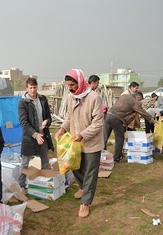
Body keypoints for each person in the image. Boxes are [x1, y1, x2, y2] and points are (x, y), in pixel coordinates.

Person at [54, 69, 103, 218]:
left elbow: (98, 122)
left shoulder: (94, 97)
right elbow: (69, 116)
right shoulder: (71, 97)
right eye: (68, 85)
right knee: (74, 166)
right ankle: (83, 187)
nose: (70, 88)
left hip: (91, 142)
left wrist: (83, 134)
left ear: (80, 82)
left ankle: (85, 203)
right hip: (75, 142)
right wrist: (62, 129)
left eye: (72, 85)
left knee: (90, 172)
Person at [18, 77, 54, 190]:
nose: (33, 90)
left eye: (34, 87)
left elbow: (49, 116)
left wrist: (47, 121)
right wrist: (35, 134)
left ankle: (46, 185)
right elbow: (24, 123)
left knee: (45, 162)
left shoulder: (43, 99)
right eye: (31, 88)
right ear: (26, 88)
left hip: (43, 135)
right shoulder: (23, 103)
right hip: (29, 137)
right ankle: (21, 186)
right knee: (24, 163)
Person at [104, 92, 156, 162]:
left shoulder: (124, 96)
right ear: (138, 97)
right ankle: (117, 158)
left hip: (108, 115)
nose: (140, 101)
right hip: (117, 118)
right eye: (140, 99)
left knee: (104, 137)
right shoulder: (135, 102)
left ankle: (101, 155)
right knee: (120, 138)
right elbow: (142, 112)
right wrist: (152, 120)